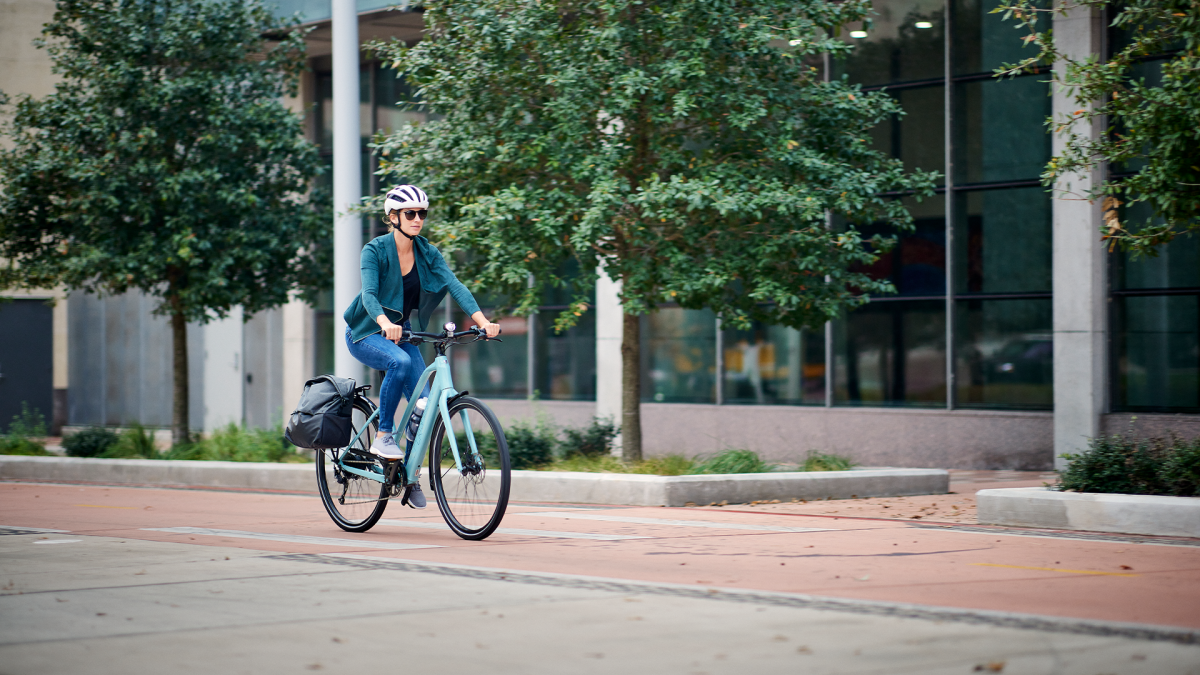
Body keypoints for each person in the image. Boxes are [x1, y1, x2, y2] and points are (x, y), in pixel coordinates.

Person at [343, 185, 500, 508]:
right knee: (399, 364)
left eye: (422, 214)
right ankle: (384, 436)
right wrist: (385, 323)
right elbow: (370, 294)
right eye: (410, 213)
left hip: (403, 333)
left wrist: (483, 322)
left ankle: (409, 475)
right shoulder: (374, 251)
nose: (417, 219)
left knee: (426, 405)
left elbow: (454, 285)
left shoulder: (427, 252)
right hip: (366, 331)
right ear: (392, 217)